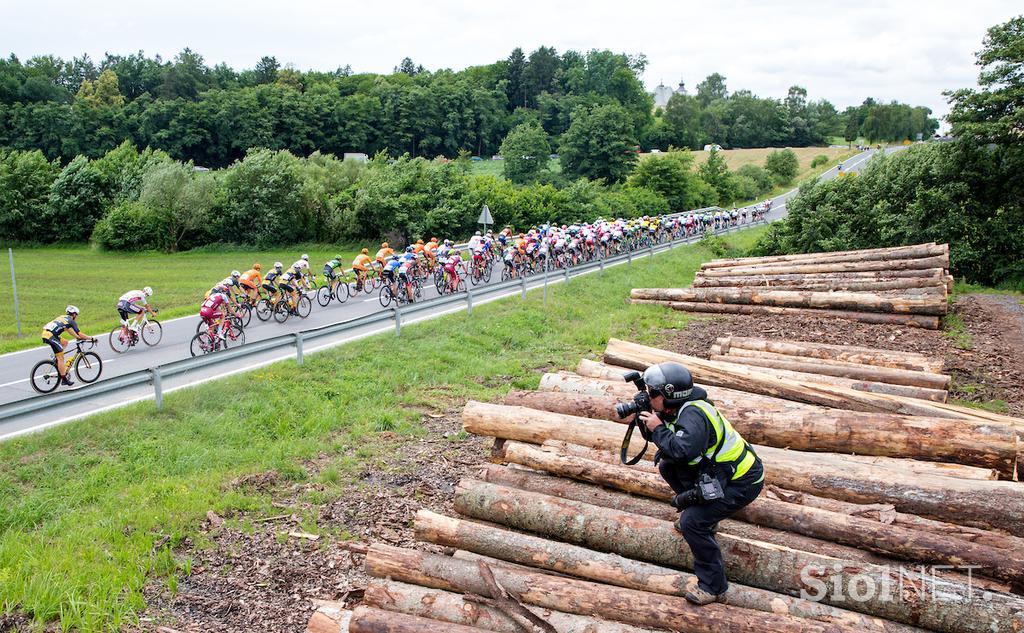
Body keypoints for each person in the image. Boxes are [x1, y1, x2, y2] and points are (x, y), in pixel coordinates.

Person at [635, 362, 764, 605]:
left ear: (671, 395)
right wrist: (651, 423)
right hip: (720, 473)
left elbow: (682, 450)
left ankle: (713, 587)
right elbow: (673, 452)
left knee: (692, 523)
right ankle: (705, 515)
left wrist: (658, 429)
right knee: (667, 466)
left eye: (653, 393)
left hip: (742, 481)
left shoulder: (693, 415)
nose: (648, 396)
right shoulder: (677, 408)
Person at [40, 306, 96, 386]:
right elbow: (79, 333)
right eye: (76, 315)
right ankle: (64, 379)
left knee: (65, 342)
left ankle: (57, 360)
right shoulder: (70, 321)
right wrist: (91, 338)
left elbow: (71, 331)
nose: (76, 317)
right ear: (73, 314)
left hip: (47, 334)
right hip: (50, 336)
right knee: (61, 358)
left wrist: (78, 338)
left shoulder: (63, 317)